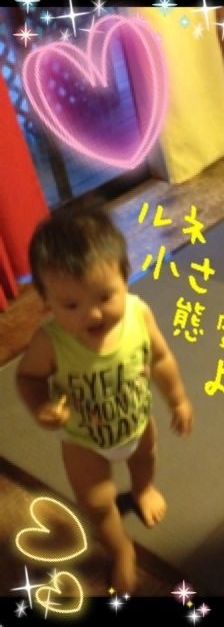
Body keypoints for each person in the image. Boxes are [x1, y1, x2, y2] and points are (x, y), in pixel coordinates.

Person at [15, 206, 194, 592]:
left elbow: (160, 358)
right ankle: (121, 548)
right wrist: (41, 405)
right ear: (46, 302)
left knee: (145, 460)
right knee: (96, 502)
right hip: (84, 441)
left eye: (105, 296)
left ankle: (142, 490)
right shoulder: (50, 341)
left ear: (125, 278)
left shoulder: (139, 314)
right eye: (71, 305)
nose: (93, 314)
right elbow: (27, 378)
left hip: (137, 422)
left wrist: (178, 399)